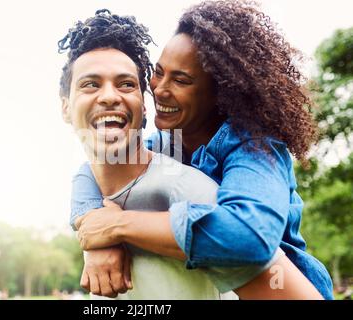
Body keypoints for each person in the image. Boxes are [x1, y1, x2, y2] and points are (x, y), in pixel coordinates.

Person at [69, 1, 334, 300]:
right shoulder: (167, 144)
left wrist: (118, 226)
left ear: (221, 93)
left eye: (181, 80)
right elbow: (92, 171)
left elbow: (248, 237)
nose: (159, 90)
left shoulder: (255, 147)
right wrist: (93, 231)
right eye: (159, 73)